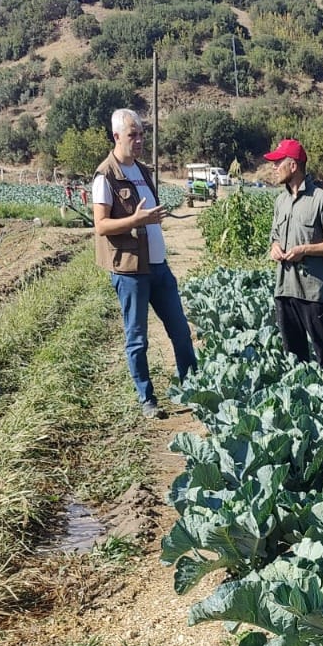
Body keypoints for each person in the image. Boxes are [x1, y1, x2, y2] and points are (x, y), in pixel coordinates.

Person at [92, 109, 197, 419]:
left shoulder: (142, 170)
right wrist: (135, 219)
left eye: (140, 135)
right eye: (132, 135)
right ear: (116, 137)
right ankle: (146, 398)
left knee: (180, 330)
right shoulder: (105, 176)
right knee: (137, 338)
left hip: (158, 265)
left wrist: (151, 220)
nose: (138, 141)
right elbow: (100, 226)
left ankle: (193, 388)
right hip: (129, 270)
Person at [265, 138, 323, 368]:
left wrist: (304, 250)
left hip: (311, 292)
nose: (273, 167)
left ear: (293, 165)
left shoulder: (322, 200)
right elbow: (274, 237)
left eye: (278, 162)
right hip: (284, 289)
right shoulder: (280, 201)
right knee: (293, 357)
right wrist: (275, 248)